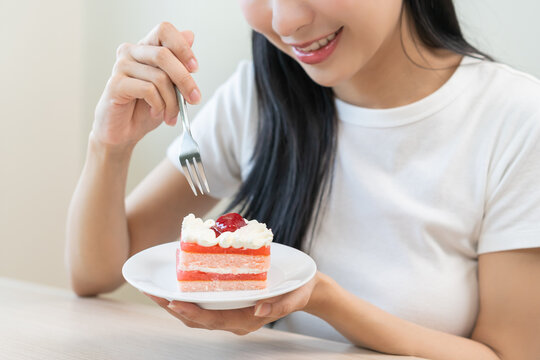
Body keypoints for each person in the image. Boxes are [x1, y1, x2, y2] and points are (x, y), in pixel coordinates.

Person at [66, 0, 540, 358]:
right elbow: (97, 273)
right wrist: (109, 146)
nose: (286, 19)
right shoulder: (260, 95)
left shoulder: (515, 120)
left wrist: (321, 298)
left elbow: (508, 355)